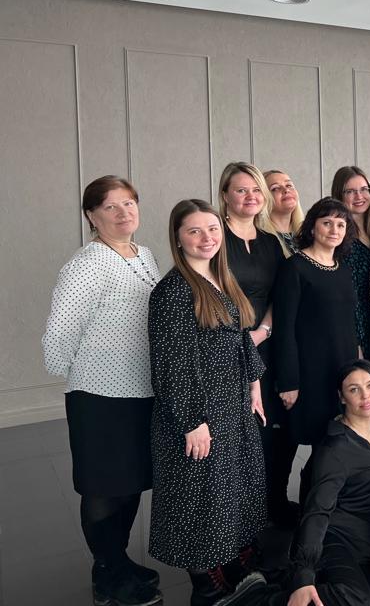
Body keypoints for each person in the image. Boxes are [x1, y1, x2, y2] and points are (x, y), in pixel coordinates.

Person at [43, 176, 162, 606]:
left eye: (129, 202)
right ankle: (106, 572)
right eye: (111, 206)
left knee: (129, 483)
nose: (124, 212)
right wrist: (73, 377)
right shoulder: (87, 263)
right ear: (92, 215)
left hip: (141, 390)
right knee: (102, 488)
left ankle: (118, 559)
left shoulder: (143, 255)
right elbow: (60, 332)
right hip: (99, 395)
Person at [147, 199, 267, 606]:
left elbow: (239, 335)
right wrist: (191, 421)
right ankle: (204, 584)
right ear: (178, 239)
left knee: (227, 491)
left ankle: (230, 564)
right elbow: (171, 365)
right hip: (198, 410)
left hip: (231, 404)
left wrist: (253, 382)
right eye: (194, 231)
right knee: (196, 496)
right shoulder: (172, 292)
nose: (206, 238)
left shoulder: (220, 279)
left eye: (212, 229)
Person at [282, 359, 370, 606]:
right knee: (358, 600)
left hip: (369, 544)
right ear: (342, 397)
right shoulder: (336, 449)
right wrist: (303, 574)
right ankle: (271, 598)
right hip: (336, 539)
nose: (365, 395)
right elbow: (317, 511)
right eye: (354, 389)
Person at [219, 162, 293, 526]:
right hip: (228, 346)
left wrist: (263, 331)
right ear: (225, 196)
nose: (250, 196)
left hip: (266, 343)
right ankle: (239, 516)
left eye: (255, 189)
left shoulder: (271, 242)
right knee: (238, 431)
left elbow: (283, 296)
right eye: (241, 190)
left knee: (272, 429)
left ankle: (269, 506)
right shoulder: (215, 236)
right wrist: (243, 337)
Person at [273, 198, 360, 448]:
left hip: (342, 366)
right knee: (309, 441)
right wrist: (289, 382)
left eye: (341, 225)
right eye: (327, 223)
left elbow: (347, 320)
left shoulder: (342, 269)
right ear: (312, 227)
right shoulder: (295, 268)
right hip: (310, 371)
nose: (334, 230)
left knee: (336, 445)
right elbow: (284, 329)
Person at [332, 166, 370, 357]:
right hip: (353, 327)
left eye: (364, 189)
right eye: (350, 191)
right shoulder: (339, 238)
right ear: (339, 196)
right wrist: (354, 341)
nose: (359, 196)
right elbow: (342, 295)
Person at [265, 169, 305, 254]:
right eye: (275, 188)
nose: (286, 190)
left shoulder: (308, 235)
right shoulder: (261, 240)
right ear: (264, 198)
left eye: (289, 185)